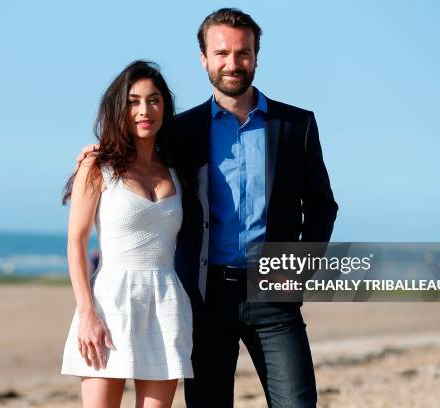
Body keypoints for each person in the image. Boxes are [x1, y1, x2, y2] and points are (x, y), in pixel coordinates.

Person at [77, 8, 338, 407]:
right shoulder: (180, 131)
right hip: (203, 295)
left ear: (256, 55)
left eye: (243, 53)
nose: (232, 63)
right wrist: (97, 153)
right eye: (221, 54)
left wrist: (299, 270)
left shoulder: (295, 125)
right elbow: (137, 152)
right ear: (204, 58)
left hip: (274, 292)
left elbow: (321, 205)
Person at [61, 60, 193, 408]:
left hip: (166, 301)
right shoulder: (97, 165)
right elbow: (76, 242)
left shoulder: (178, 168)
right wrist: (87, 312)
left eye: (153, 100)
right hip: (109, 303)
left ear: (165, 106)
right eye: (133, 101)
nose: (144, 110)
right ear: (120, 108)